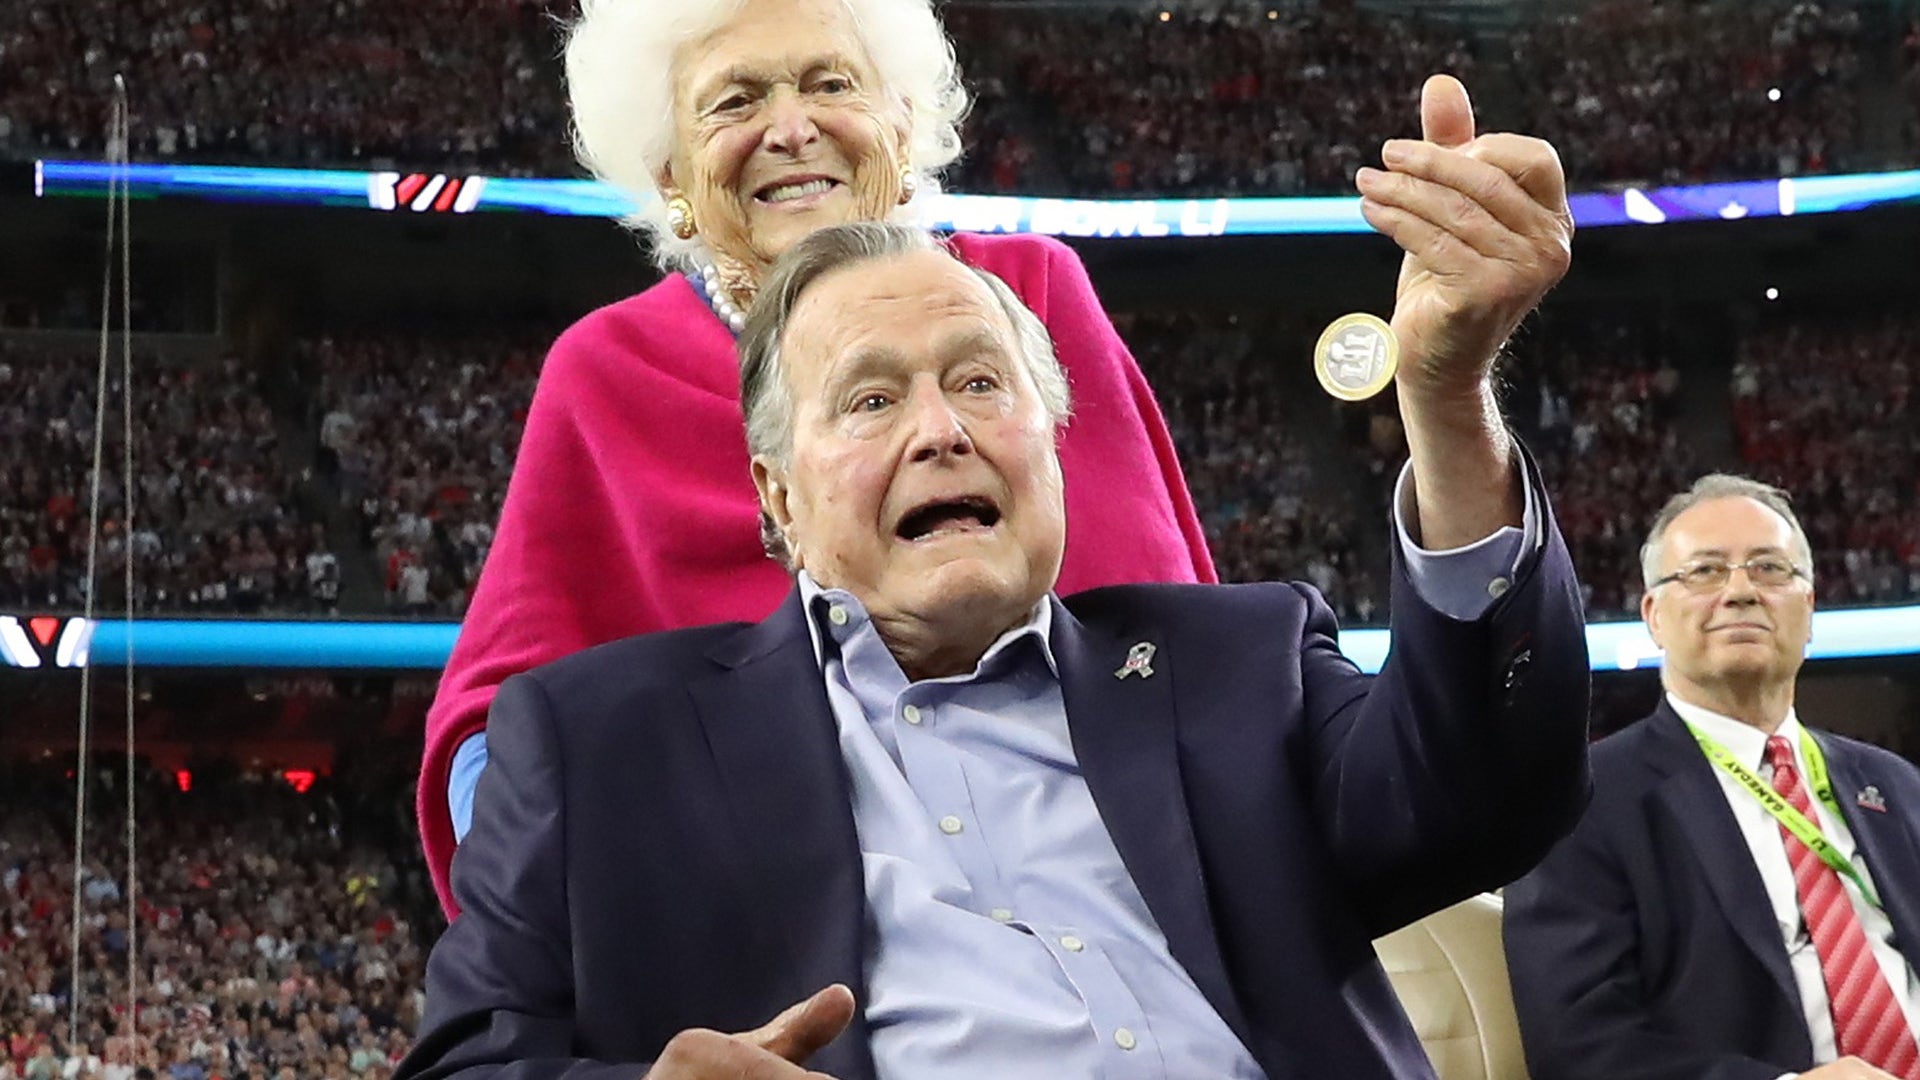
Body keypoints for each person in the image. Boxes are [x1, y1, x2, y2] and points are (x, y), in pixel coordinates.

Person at [401, 73, 1588, 1075]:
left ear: (1057, 444)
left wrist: (1445, 402)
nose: (941, 431)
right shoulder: (599, 744)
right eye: (871, 399)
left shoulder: (1241, 665)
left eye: (979, 384)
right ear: (778, 499)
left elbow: (1490, 794)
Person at [416, 0, 1220, 916]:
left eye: (830, 84)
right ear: (672, 174)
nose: (791, 129)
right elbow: (493, 738)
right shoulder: (606, 375)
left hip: (1095, 873)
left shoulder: (1028, 295)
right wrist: (602, 923)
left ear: (902, 128)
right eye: (735, 101)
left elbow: (1162, 630)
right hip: (766, 927)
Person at [1505, 474, 1920, 1080]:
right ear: (1653, 616)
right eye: (1703, 572)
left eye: (1771, 570)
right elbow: (1580, 1044)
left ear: (1808, 609)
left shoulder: (1896, 786)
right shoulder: (1580, 802)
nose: (1741, 592)